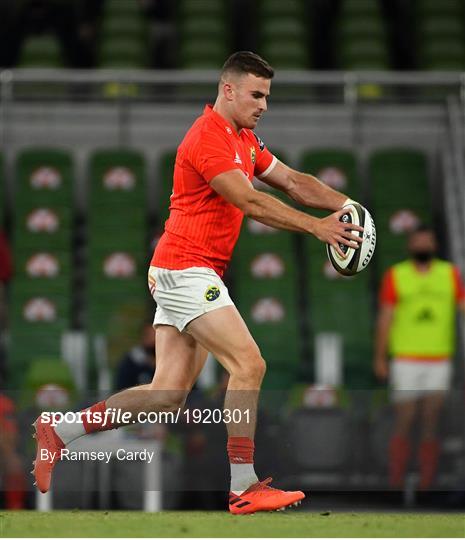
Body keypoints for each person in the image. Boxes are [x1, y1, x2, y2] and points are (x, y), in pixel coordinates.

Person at [32, 51, 364, 514]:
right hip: (186, 268)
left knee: (167, 395)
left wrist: (349, 207)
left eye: (267, 95)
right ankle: (244, 487)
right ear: (228, 90)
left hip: (186, 268)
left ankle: (61, 430)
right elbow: (250, 201)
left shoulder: (244, 138)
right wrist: (318, 227)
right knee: (249, 364)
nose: (264, 103)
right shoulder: (208, 137)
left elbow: (292, 181)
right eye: (257, 94)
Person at [374, 224, 465, 489]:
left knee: (431, 421)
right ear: (410, 245)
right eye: (418, 241)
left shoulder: (450, 275)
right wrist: (380, 357)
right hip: (406, 358)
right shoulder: (397, 275)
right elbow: (386, 318)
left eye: (428, 241)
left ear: (434, 246)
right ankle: (396, 482)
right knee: (404, 418)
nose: (423, 245)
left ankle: (427, 485)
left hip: (439, 358)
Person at [114, 323, 156, 391]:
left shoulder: (169, 361)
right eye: (149, 335)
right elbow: (122, 389)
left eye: (155, 335)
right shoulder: (130, 361)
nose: (153, 340)